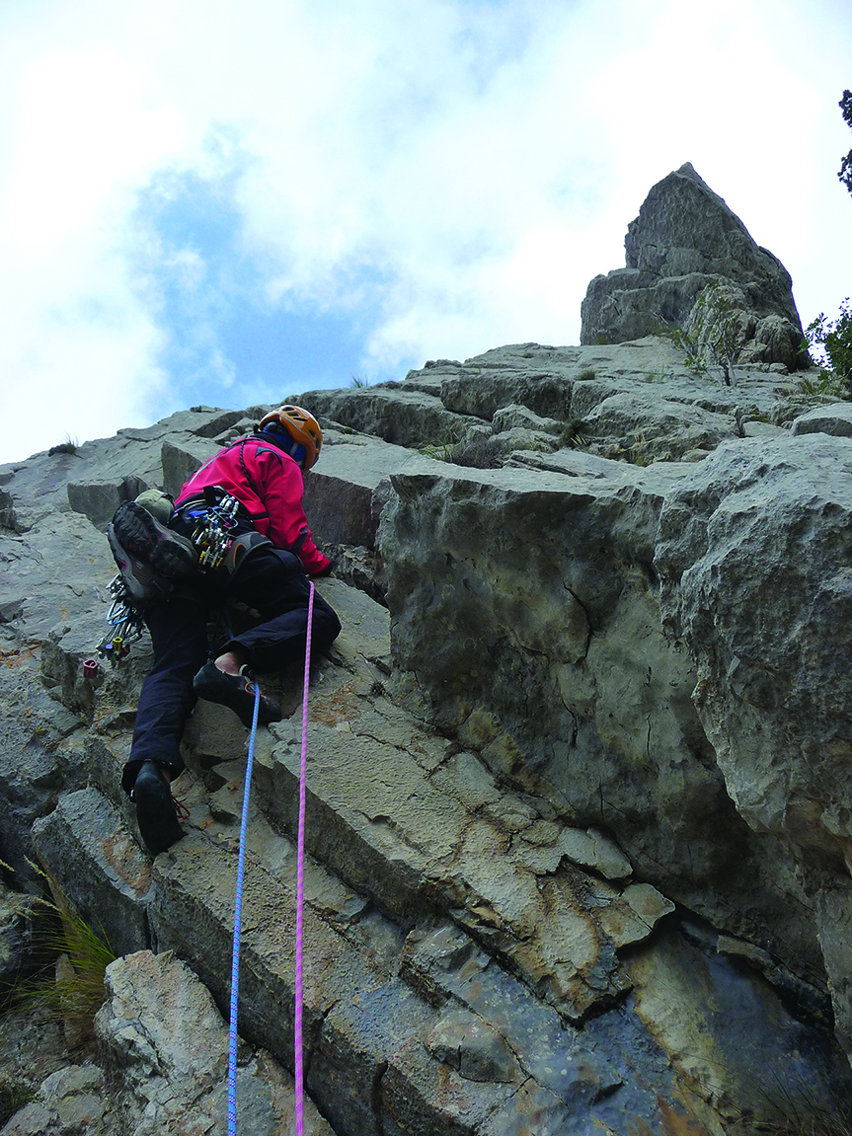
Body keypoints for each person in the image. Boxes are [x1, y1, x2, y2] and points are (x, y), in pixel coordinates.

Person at [115, 405, 341, 856]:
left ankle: (149, 773)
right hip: (230, 542)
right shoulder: (276, 459)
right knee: (318, 617)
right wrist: (322, 565)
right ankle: (229, 665)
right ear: (300, 444)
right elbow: (290, 531)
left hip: (177, 558)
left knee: (174, 662)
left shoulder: (212, 466)